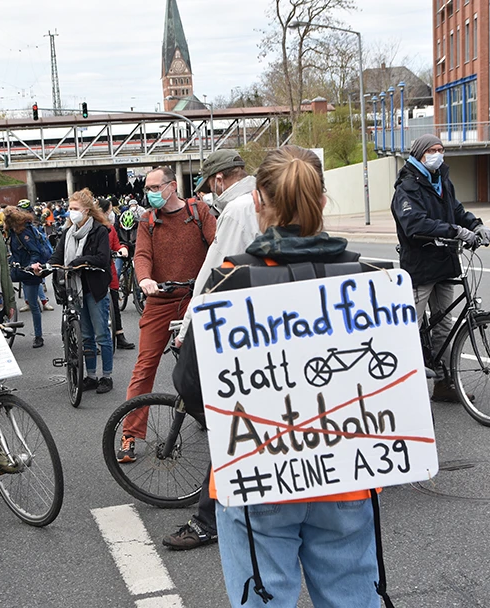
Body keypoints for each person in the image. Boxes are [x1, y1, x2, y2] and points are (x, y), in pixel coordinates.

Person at [199, 145, 382, 607]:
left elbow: (193, 383)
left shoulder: (230, 281)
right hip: (346, 470)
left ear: (257, 201)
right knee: (353, 598)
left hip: (260, 470)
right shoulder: (365, 278)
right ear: (322, 202)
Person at [161, 150, 261, 551]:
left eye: (208, 185)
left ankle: (209, 518)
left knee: (229, 423)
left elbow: (217, 274)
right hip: (273, 325)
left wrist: (188, 326)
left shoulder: (238, 208)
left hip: (239, 330)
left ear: (219, 179)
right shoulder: (265, 200)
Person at [116, 167, 216, 462]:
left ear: (172, 186)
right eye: (147, 188)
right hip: (160, 300)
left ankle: (215, 416)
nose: (150, 193)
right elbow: (142, 255)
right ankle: (130, 433)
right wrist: (145, 279)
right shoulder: (148, 220)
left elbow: (217, 244)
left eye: (155, 187)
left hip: (194, 298)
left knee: (206, 362)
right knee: (144, 366)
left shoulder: (199, 212)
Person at [391, 134, 490, 402]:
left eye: (441, 149)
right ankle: (400, 386)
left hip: (446, 263)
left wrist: (476, 225)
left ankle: (446, 383)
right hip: (421, 266)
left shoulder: (442, 181)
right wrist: (456, 231)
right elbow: (414, 224)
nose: (438, 154)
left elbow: (457, 211)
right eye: (432, 150)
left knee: (444, 324)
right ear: (420, 154)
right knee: (409, 325)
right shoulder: (407, 187)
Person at [33, 188, 115, 393]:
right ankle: (91, 376)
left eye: (75, 208)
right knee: (85, 335)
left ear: (87, 210)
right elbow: (57, 256)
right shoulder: (68, 233)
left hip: (95, 288)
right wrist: (44, 268)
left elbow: (103, 258)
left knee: (102, 335)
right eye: (70, 208)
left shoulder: (100, 230)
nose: (71, 212)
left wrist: (81, 261)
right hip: (76, 289)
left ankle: (107, 376)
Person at [4, 206, 52, 348]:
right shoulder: (15, 231)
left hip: (30, 271)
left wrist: (32, 265)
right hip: (21, 268)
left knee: (33, 304)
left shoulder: (24, 232)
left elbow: (34, 251)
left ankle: (39, 336)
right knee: (31, 301)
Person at [98, 197, 136, 350]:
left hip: (109, 270)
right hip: (96, 271)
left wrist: (123, 248)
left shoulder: (110, 228)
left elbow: (115, 243)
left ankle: (119, 335)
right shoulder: (92, 227)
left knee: (114, 301)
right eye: (109, 210)